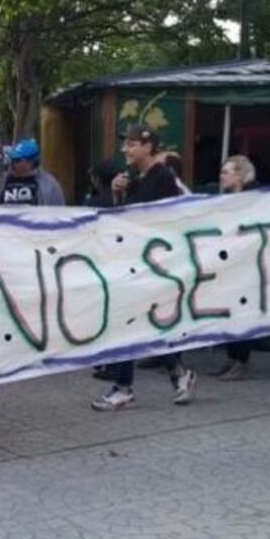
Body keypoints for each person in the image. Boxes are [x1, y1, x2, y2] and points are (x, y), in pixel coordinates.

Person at [92, 123, 196, 411]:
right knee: (142, 324)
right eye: (126, 144)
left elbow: (167, 219)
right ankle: (177, 375)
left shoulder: (163, 178)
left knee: (134, 323)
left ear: (148, 146)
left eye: (132, 144)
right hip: (136, 265)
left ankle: (125, 387)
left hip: (155, 265)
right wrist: (116, 194)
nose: (125, 149)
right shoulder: (136, 179)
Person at [211, 155, 258, 381]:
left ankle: (242, 360)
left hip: (246, 264)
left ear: (240, 175)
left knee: (242, 312)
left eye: (226, 172)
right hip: (229, 263)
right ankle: (231, 357)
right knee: (229, 311)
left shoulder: (254, 199)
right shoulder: (226, 200)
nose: (221, 176)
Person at [0, 138, 65, 206]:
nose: (12, 163)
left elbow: (57, 214)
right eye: (12, 159)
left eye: (17, 160)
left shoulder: (49, 185)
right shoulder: (3, 182)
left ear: (30, 163)